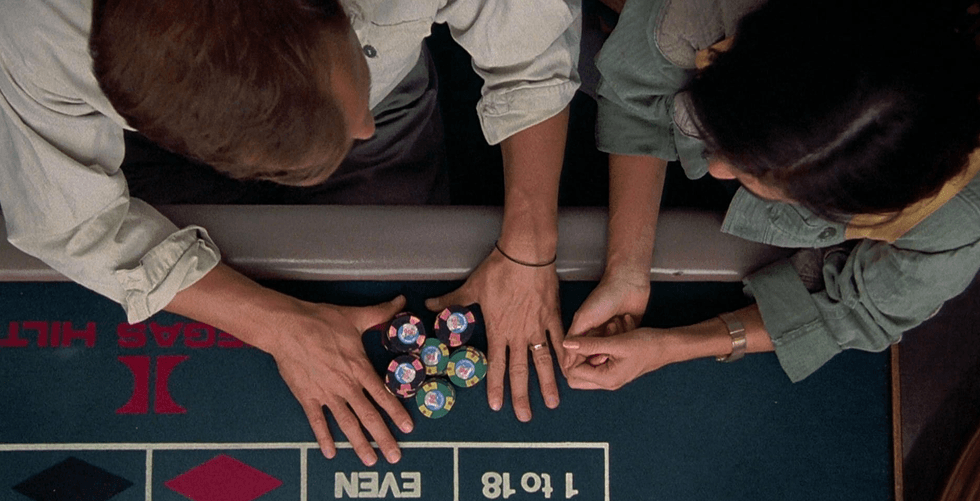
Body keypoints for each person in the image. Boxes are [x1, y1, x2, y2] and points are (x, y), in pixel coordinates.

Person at [0, 0, 580, 466]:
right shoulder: (39, 27)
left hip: (391, 86)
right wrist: (279, 327)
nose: (363, 128)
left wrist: (529, 249)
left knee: (374, 124)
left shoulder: (365, 115)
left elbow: (531, 45)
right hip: (151, 150)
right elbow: (71, 220)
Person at [562, 0, 980, 389]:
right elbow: (636, 96)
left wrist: (672, 347)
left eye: (756, 174)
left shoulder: (961, 219)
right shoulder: (708, 10)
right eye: (721, 132)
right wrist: (626, 268)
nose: (714, 169)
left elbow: (858, 312)